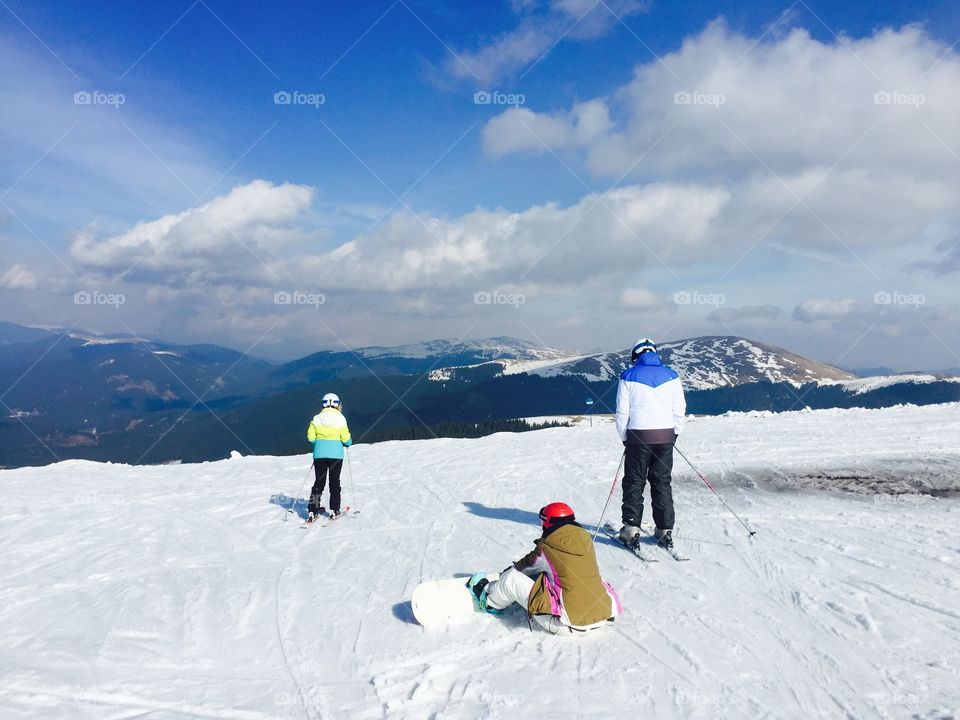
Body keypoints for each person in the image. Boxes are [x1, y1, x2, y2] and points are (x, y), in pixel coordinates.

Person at [468, 503, 621, 634]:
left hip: (567, 624)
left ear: (548, 523)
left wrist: (503, 575)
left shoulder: (547, 547)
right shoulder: (586, 541)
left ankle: (489, 601)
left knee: (510, 579)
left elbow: (521, 570)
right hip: (602, 617)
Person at [614, 338, 686, 550]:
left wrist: (624, 437)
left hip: (638, 437)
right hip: (665, 436)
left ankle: (631, 529)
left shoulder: (628, 376)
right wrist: (675, 433)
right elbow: (679, 408)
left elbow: (622, 413)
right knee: (662, 482)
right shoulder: (672, 375)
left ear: (635, 356)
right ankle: (665, 529)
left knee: (635, 482)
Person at [305, 392, 352, 521]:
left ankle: (313, 510)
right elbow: (346, 438)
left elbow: (311, 438)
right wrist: (348, 443)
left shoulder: (316, 418)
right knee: (334, 481)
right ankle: (334, 509)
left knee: (319, 482)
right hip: (336, 454)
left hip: (319, 454)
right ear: (337, 405)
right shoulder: (340, 418)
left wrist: (320, 443)